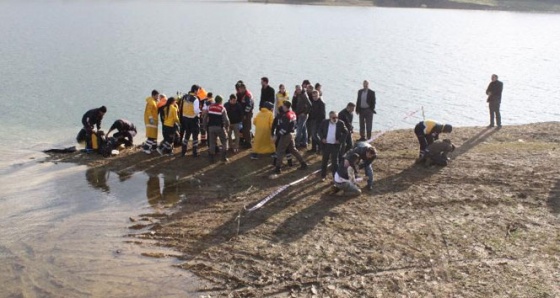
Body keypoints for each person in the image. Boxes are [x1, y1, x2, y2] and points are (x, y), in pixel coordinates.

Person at [273, 101, 308, 174]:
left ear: (286, 107)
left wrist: (277, 136)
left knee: (280, 150)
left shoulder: (286, 116)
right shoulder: (292, 113)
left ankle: (278, 168)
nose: (282, 107)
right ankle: (303, 163)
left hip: (286, 135)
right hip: (292, 133)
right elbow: (295, 124)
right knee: (293, 150)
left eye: (283, 106)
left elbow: (284, 128)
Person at [318, 111, 348, 181]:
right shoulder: (324, 122)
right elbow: (319, 130)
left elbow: (346, 132)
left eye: (337, 117)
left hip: (335, 145)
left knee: (335, 162)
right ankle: (323, 176)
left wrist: (340, 140)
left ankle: (335, 177)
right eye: (334, 117)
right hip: (326, 145)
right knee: (324, 160)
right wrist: (322, 138)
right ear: (330, 117)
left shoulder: (340, 123)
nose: (336, 119)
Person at [205, 95, 230, 163]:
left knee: (212, 142)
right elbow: (226, 120)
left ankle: (211, 158)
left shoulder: (209, 107)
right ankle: (223, 157)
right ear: (221, 101)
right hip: (219, 127)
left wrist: (205, 126)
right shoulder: (222, 108)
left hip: (211, 127)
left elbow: (205, 117)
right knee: (225, 140)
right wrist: (227, 128)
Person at [179, 85, 201, 157]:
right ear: (195, 90)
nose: (198, 92)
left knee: (187, 135)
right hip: (193, 119)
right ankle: (195, 153)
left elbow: (181, 107)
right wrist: (201, 112)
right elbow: (196, 110)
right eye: (198, 90)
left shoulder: (185, 97)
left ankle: (183, 151)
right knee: (195, 136)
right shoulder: (195, 99)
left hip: (185, 119)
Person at [236, 81, 254, 148]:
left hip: (247, 114)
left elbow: (249, 106)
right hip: (242, 113)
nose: (239, 90)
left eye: (240, 89)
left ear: (243, 88)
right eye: (239, 89)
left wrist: (245, 115)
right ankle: (243, 140)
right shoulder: (239, 94)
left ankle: (248, 143)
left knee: (246, 128)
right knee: (241, 128)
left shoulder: (247, 95)